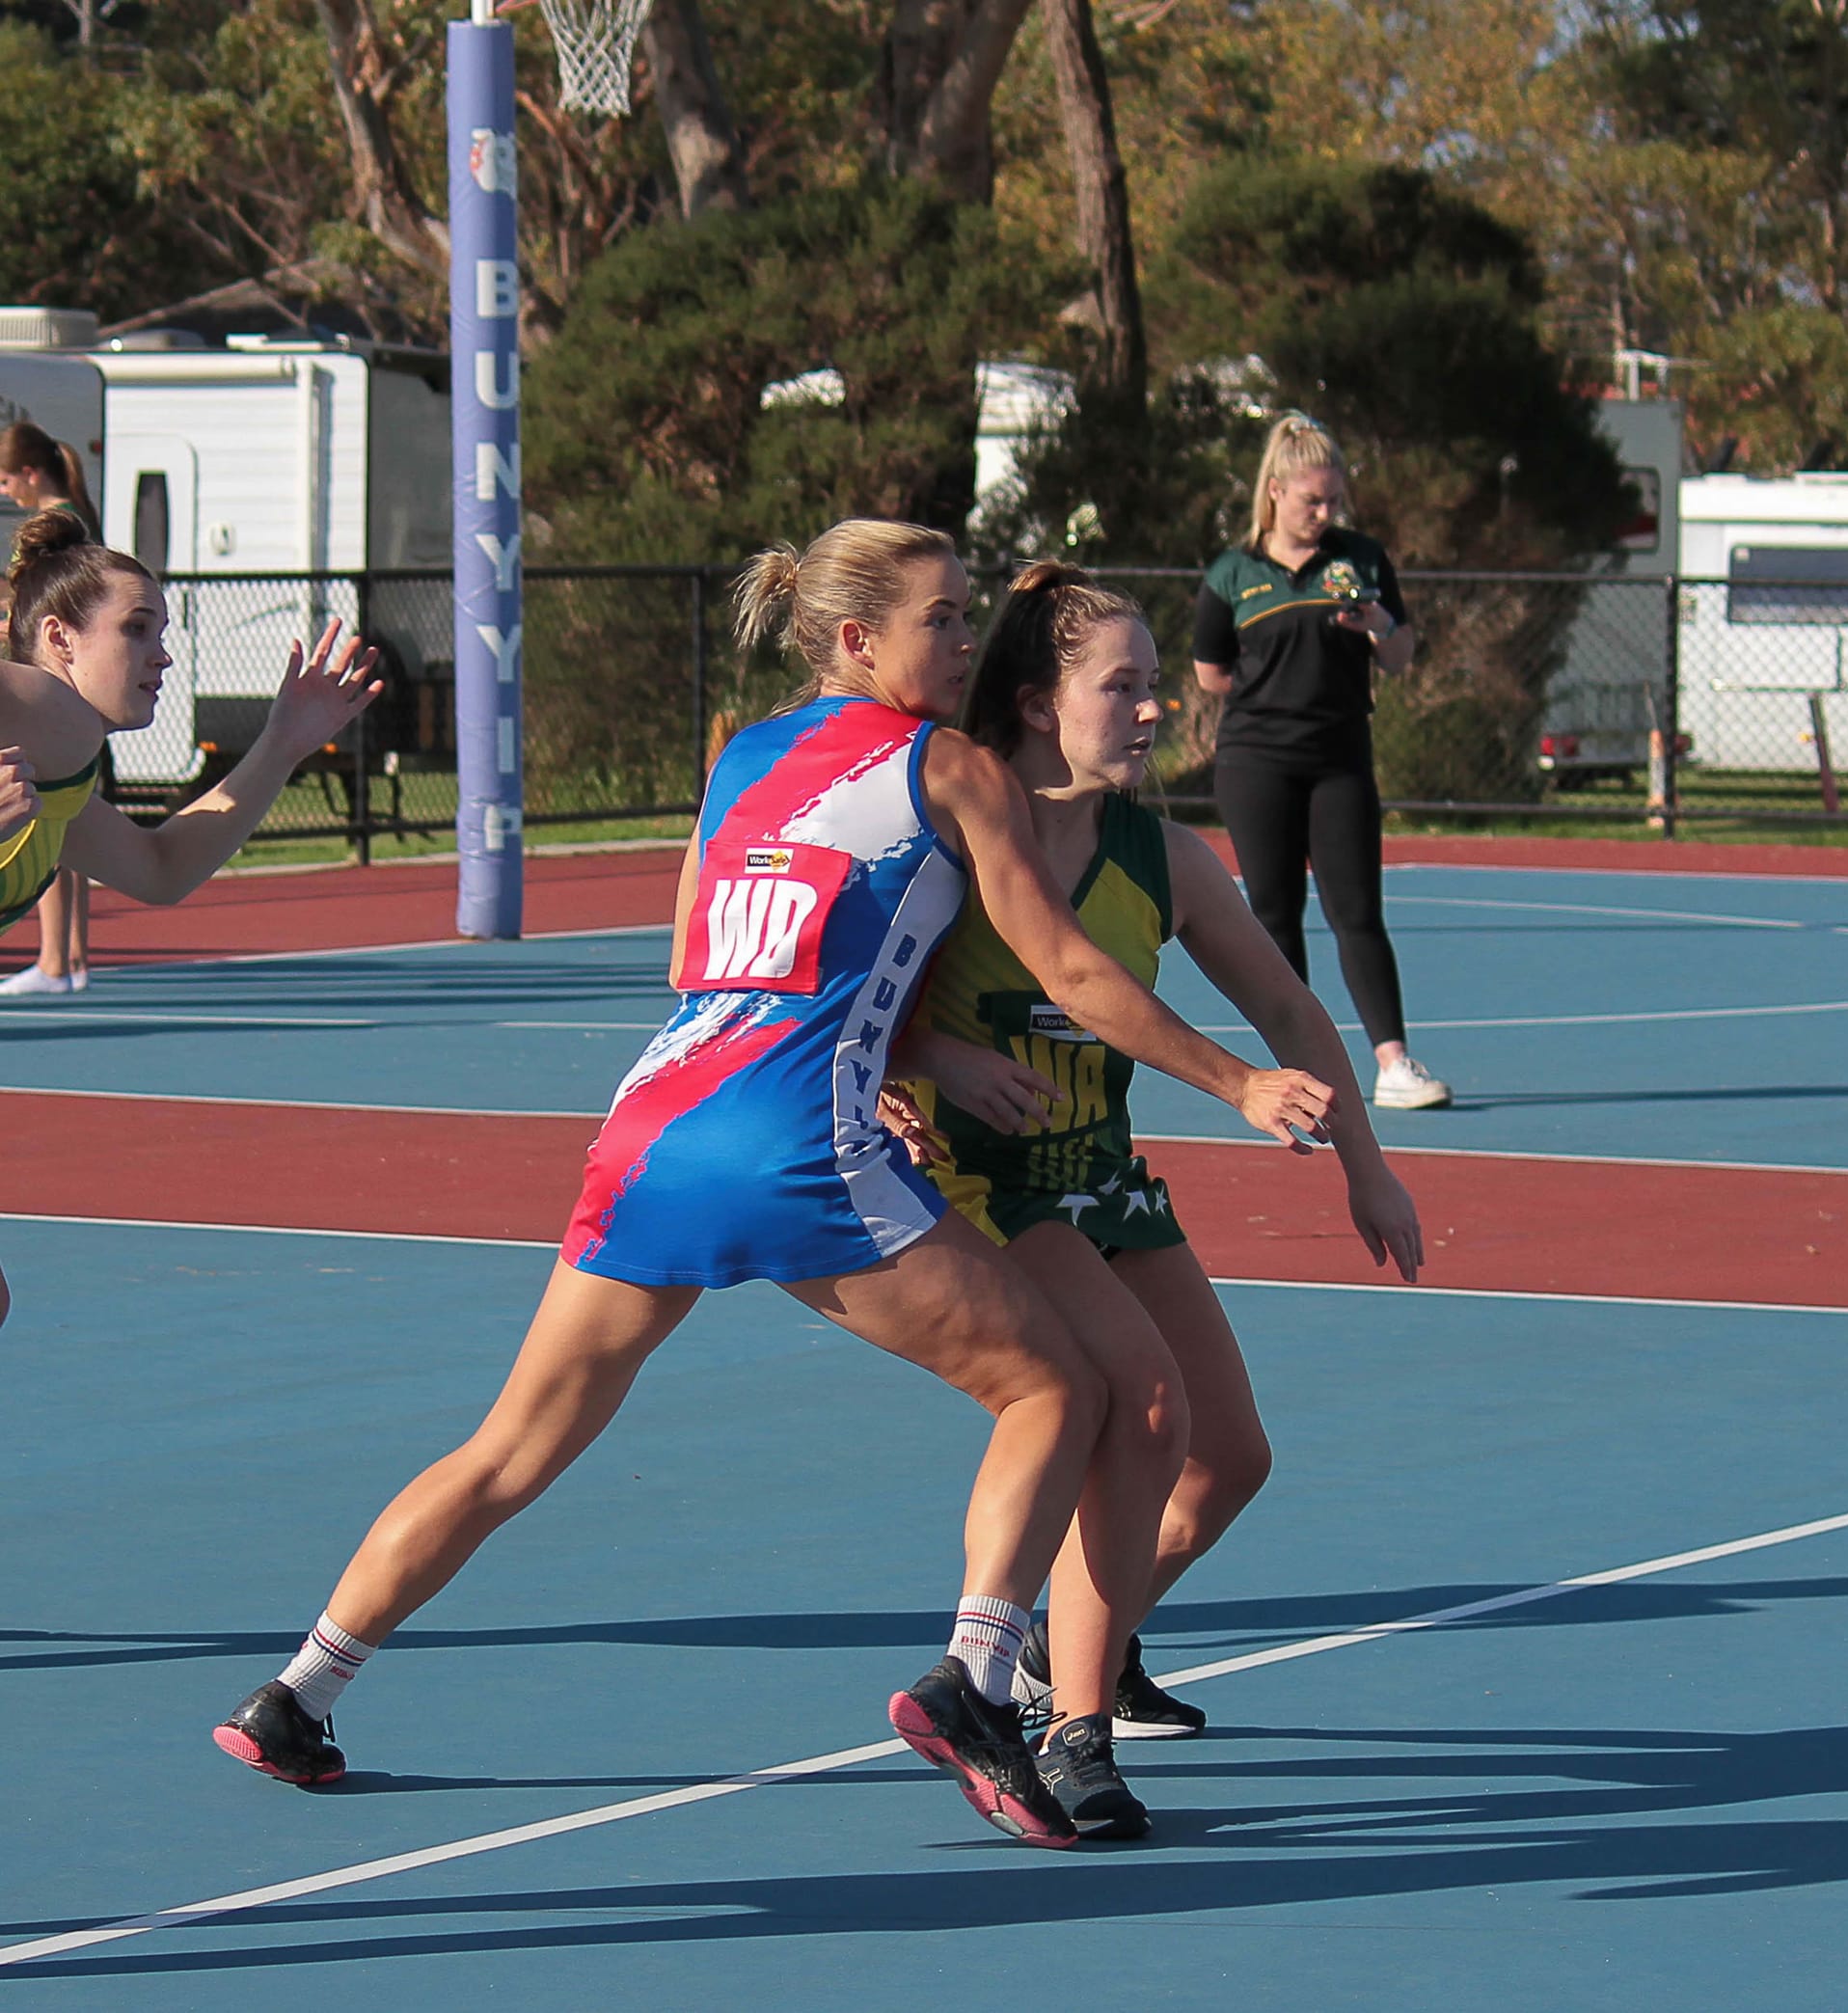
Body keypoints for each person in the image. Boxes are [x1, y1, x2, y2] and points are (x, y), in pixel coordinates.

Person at [211, 518, 1336, 1850]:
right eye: (946, 614)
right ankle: (976, 1681)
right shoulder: (952, 764)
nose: (969, 634)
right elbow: (1077, 972)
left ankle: (300, 1690)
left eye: (972, 611)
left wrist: (918, 1050)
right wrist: (1240, 1081)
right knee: (1057, 1386)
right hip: (795, 1142)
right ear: (859, 639)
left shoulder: (742, 757)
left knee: (512, 1444)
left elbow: (700, 949)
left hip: (648, 1129)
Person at [884, 563, 1422, 1836]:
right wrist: (919, 1059)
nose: (1151, 709)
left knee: (1232, 1455)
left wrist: (1367, 1160)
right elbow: (826, 982)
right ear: (1034, 703)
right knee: (1148, 1398)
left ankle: (1087, 1633)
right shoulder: (953, 833)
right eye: (1119, 686)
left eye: (1152, 685)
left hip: (1100, 1172)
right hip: (983, 1179)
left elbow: (1287, 1006)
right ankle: (1071, 1728)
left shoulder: (1160, 853)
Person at [0, 508, 381, 1328]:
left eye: (163, 630)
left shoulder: (62, 768)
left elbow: (163, 867)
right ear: (60, 638)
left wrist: (281, 741)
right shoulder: (50, 712)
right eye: (136, 629)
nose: (162, 653)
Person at [1193, 410, 1452, 1110]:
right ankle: (1300, 1063)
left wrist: (1379, 625)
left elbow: (1399, 657)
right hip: (1255, 761)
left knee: (1356, 911)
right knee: (1273, 912)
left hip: (1340, 759)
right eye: (1313, 499)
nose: (1325, 512)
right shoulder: (1234, 571)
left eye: (1335, 499)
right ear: (1274, 490)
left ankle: (1394, 1062)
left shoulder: (1360, 560)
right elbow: (1210, 671)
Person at [1, 422, 105, 999]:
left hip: (59, 695)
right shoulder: (77, 521)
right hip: (73, 700)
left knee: (51, 822)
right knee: (69, 822)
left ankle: (54, 959)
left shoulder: (55, 531)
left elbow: (42, 610)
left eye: (7, 479)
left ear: (32, 474)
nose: (6, 490)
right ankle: (70, 955)